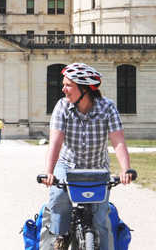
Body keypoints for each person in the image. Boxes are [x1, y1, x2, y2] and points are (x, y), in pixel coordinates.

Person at [43, 63, 133, 250]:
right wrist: (49, 173)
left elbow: (118, 141)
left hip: (97, 168)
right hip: (67, 165)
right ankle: (61, 236)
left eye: (68, 85)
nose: (63, 89)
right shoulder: (62, 106)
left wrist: (125, 170)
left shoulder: (107, 107)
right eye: (63, 84)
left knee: (101, 220)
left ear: (84, 89)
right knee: (58, 198)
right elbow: (55, 143)